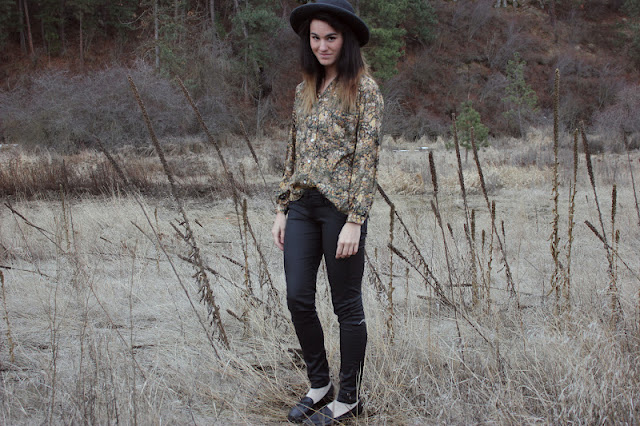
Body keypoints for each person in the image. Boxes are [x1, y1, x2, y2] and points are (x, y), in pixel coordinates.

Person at [271, 0, 383, 424]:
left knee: (346, 305)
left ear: (346, 39)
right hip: (302, 206)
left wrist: (355, 220)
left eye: (330, 37)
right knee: (298, 297)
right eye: (315, 38)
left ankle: (349, 397)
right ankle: (320, 385)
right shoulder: (304, 90)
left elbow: (366, 160)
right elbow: (293, 152)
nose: (322, 46)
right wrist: (282, 208)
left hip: (341, 211)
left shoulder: (365, 90)